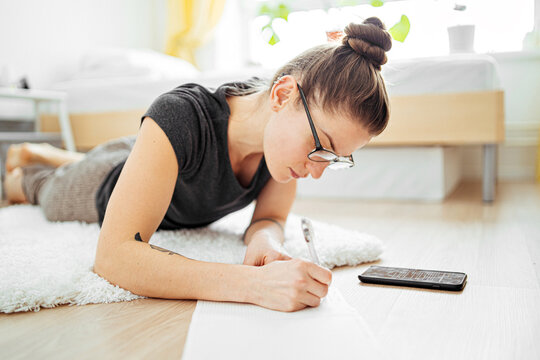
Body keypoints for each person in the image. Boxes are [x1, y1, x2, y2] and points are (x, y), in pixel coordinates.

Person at [2, 17, 392, 312]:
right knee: (40, 190)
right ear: (282, 94)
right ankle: (27, 167)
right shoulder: (181, 114)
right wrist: (252, 285)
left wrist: (265, 242)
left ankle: (43, 153)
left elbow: (269, 217)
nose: (318, 170)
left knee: (125, 153)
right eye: (319, 147)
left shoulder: (282, 149)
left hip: (147, 153)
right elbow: (114, 256)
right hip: (98, 185)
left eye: (333, 159)